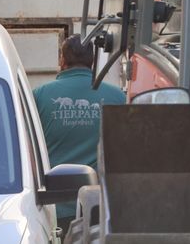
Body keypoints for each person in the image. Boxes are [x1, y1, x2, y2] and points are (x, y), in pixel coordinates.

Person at [33, 34, 125, 237]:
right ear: (92, 61)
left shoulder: (39, 96)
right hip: (101, 208)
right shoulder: (118, 97)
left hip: (54, 208)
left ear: (62, 60)